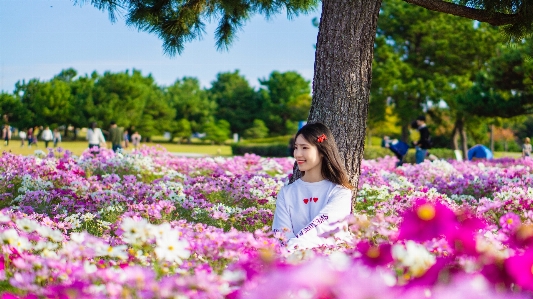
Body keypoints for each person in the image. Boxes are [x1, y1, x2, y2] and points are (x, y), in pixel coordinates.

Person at [272, 122, 353, 250]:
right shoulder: (286, 193)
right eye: (296, 147)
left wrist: (293, 248)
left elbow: (324, 228)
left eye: (304, 148)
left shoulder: (340, 192)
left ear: (322, 151)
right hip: (293, 263)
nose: (298, 154)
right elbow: (281, 233)